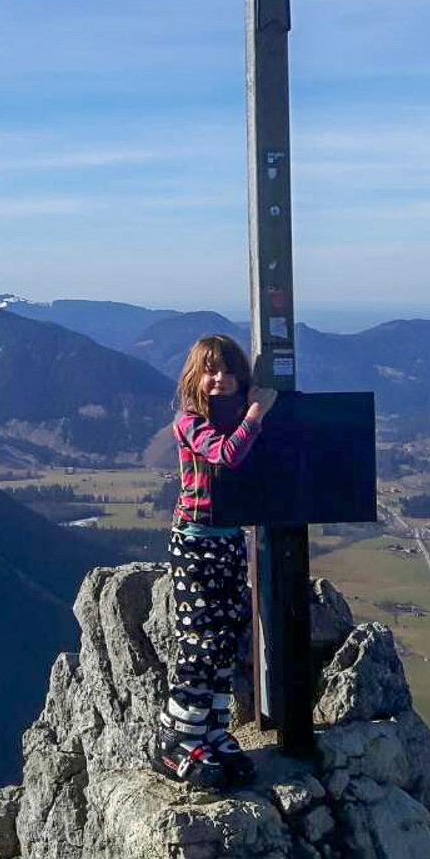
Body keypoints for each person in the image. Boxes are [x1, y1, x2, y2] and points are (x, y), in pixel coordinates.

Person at [152, 333, 277, 790]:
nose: (219, 379)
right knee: (199, 641)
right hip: (195, 540)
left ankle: (212, 732)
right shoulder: (189, 422)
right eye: (210, 370)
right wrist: (257, 412)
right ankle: (175, 739)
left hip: (227, 539)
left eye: (228, 371)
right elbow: (226, 455)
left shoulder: (229, 419)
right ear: (195, 377)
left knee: (224, 638)